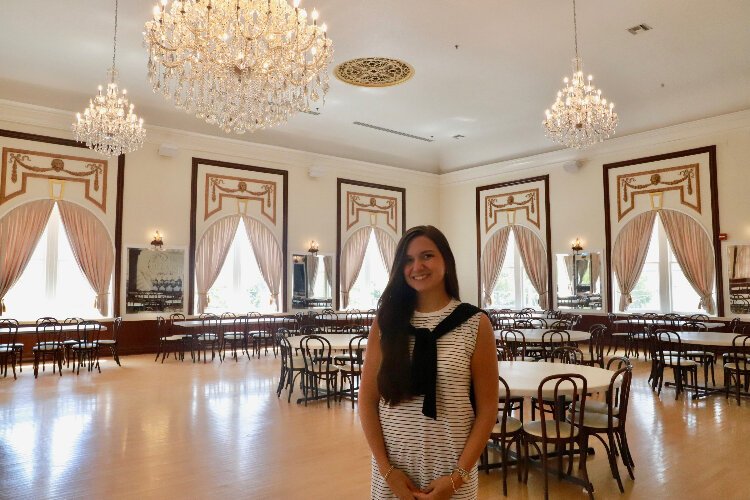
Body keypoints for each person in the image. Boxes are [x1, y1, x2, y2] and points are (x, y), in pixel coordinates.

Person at [359, 225, 499, 499]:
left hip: (451, 474)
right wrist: (388, 472)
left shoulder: (475, 323)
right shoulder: (387, 323)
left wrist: (458, 477)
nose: (417, 266)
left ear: (445, 260)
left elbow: (487, 410)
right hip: (394, 476)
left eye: (427, 256)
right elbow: (367, 401)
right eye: (408, 260)